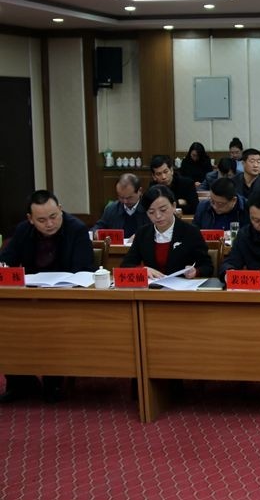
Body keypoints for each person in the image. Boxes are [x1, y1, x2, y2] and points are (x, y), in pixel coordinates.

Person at [0, 190, 94, 404]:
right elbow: (6, 261)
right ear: (30, 219)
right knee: (8, 321)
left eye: (53, 216)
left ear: (60, 209)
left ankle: (54, 382)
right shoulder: (23, 231)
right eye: (41, 220)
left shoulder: (77, 229)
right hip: (30, 298)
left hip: (66, 299)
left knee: (53, 322)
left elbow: (85, 270)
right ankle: (20, 382)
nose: (49, 224)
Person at [122, 185, 213, 279]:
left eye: (163, 210)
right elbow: (126, 265)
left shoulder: (191, 232)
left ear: (173, 206)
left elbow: (207, 266)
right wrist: (142, 270)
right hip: (152, 286)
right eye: (151, 212)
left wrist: (196, 272)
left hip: (181, 285)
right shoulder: (143, 233)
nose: (158, 216)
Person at [93, 173, 149, 237]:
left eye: (129, 197)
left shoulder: (149, 209)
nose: (125, 201)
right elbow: (97, 227)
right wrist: (96, 233)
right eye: (121, 197)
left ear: (140, 191)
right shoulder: (111, 209)